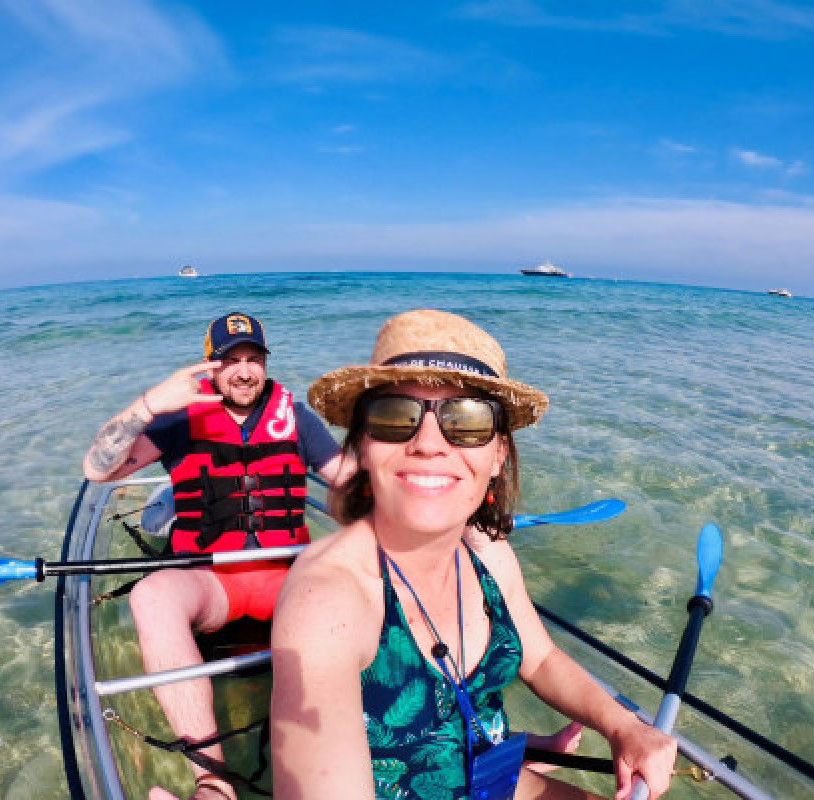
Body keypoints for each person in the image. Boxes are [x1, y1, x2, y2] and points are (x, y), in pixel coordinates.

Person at [270, 310, 677, 800]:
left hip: (493, 776)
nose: (427, 444)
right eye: (395, 416)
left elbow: (540, 658)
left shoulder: (487, 551)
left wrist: (623, 726)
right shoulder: (330, 595)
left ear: (499, 453)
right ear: (363, 444)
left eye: (465, 420)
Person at [83, 311, 352, 800]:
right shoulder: (179, 419)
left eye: (253, 359)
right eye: (231, 361)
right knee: (152, 596)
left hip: (286, 576)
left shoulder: (294, 416)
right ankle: (213, 779)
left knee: (363, 582)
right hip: (214, 582)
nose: (244, 371)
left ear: (266, 364)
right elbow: (99, 470)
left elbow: (345, 478)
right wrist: (149, 404)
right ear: (210, 366)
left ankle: (359, 749)